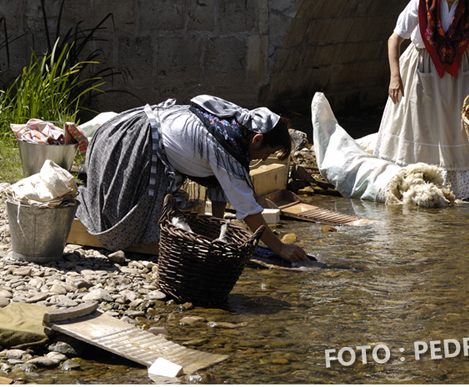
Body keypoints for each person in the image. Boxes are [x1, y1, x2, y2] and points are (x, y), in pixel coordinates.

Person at [75, 94, 309, 264]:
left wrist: (219, 233)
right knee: (123, 226)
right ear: (257, 139)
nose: (262, 159)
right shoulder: (225, 146)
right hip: (131, 142)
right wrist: (280, 248)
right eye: (266, 154)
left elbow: (220, 185)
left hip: (142, 134)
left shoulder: (236, 129)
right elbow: (247, 210)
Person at [372, 0, 469, 200]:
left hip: (462, 69)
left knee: (459, 127)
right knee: (421, 124)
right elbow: (395, 39)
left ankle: (462, 189)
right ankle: (414, 180)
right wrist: (394, 76)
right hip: (422, 66)